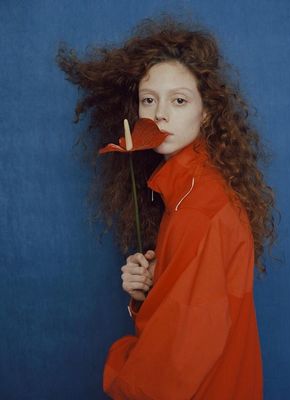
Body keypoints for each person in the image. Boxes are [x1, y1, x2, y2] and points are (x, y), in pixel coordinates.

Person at [57, 14, 276, 399]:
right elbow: (196, 320)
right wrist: (152, 292)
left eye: (179, 100)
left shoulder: (199, 210)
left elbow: (166, 377)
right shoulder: (190, 192)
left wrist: (117, 360)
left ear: (206, 111)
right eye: (148, 100)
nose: (159, 114)